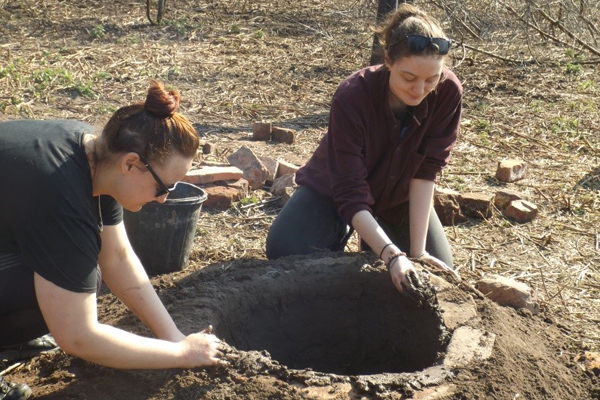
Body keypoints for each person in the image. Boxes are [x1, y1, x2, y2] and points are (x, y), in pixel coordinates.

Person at [0, 81, 221, 400]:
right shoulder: (61, 195)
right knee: (63, 282)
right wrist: (182, 356)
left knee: (76, 275)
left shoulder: (94, 155)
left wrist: (173, 337)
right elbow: (78, 337)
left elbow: (117, 257)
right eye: (163, 187)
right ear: (131, 164)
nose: (163, 200)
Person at [266, 4, 461, 294]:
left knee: (431, 275)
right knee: (286, 248)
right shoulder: (353, 95)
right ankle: (346, 230)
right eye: (409, 78)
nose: (420, 90)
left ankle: (377, 239)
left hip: (398, 197)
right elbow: (348, 189)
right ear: (388, 61)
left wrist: (416, 253)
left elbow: (426, 170)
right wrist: (392, 255)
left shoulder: (448, 92)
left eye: (431, 79)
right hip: (333, 192)